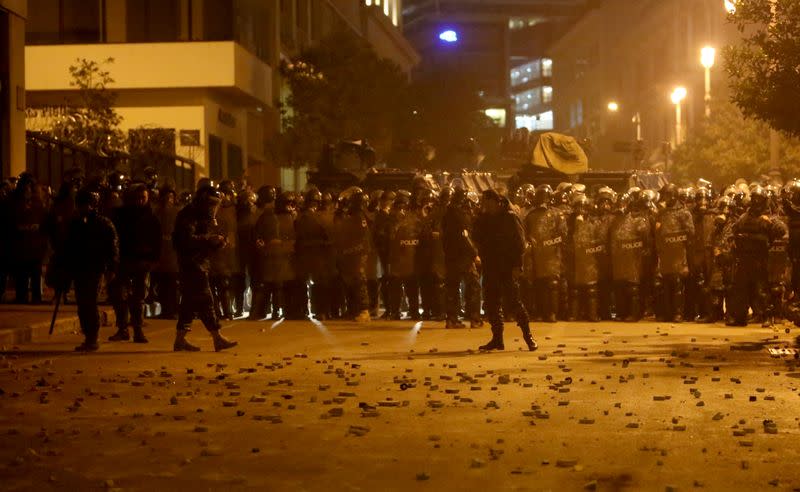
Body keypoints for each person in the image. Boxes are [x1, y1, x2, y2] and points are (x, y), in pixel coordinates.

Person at [172, 184, 238, 352]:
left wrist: (217, 243)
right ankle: (217, 337)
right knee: (205, 299)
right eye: (211, 203)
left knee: (189, 302)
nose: (213, 208)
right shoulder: (188, 216)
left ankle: (180, 339)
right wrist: (209, 240)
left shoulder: (201, 216)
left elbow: (204, 241)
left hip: (200, 262)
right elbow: (186, 240)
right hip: (191, 263)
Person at [473, 190, 537, 352]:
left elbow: (520, 244)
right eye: (483, 203)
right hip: (490, 267)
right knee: (492, 304)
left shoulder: (509, 217)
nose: (485, 206)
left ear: (497, 202)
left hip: (507, 267)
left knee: (514, 303)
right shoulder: (484, 219)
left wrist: (517, 266)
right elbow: (477, 238)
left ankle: (528, 337)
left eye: (487, 203)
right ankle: (497, 339)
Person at [64, 189, 119, 352]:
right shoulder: (75, 224)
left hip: (96, 268)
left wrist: (112, 268)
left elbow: (113, 247)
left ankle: (92, 336)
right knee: (82, 303)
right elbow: (68, 247)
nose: (83, 208)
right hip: (80, 268)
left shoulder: (103, 224)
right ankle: (88, 335)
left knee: (89, 302)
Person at [107, 183, 161, 343]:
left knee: (138, 299)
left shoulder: (151, 218)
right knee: (119, 296)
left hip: (142, 263)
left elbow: (157, 242)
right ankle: (122, 328)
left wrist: (153, 261)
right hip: (122, 261)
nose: (140, 201)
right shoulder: (119, 216)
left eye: (143, 198)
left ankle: (137, 329)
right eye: (137, 198)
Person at [726, 186, 787, 326]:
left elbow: (782, 230)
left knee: (762, 289)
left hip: (760, 257)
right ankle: (739, 317)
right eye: (754, 199)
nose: (756, 201)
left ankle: (766, 317)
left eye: (759, 199)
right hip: (744, 258)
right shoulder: (744, 217)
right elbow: (733, 230)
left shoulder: (769, 216)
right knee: (740, 288)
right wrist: (732, 241)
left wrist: (769, 224)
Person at [151, 186, 180, 319]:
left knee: (172, 284)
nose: (169, 200)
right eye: (167, 197)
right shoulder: (156, 212)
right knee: (162, 284)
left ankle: (173, 310)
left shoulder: (177, 212)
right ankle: (165, 309)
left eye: (171, 197)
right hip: (160, 252)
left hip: (173, 253)